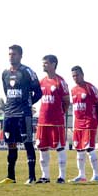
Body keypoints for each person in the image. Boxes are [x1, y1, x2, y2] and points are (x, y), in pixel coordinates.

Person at [0, 45, 42, 185]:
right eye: (9, 54)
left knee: (27, 143)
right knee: (11, 144)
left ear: (20, 56)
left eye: (14, 54)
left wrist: (27, 103)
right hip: (9, 114)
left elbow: (38, 92)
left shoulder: (27, 72)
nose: (11, 56)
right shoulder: (5, 73)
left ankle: (31, 177)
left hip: (23, 114)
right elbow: (7, 91)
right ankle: (11, 177)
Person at [35, 55, 70, 184]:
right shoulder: (42, 81)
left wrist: (60, 113)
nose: (43, 65)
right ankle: (45, 176)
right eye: (43, 63)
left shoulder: (60, 81)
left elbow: (66, 101)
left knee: (60, 148)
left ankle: (62, 176)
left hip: (56, 122)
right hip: (43, 121)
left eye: (46, 63)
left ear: (53, 64)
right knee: (42, 148)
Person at [69, 66, 98, 182]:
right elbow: (74, 108)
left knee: (89, 148)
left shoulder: (90, 88)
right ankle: (81, 175)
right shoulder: (73, 90)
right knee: (79, 149)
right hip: (78, 123)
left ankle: (96, 175)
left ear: (82, 74)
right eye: (73, 76)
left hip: (89, 122)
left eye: (77, 75)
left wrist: (96, 120)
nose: (75, 78)